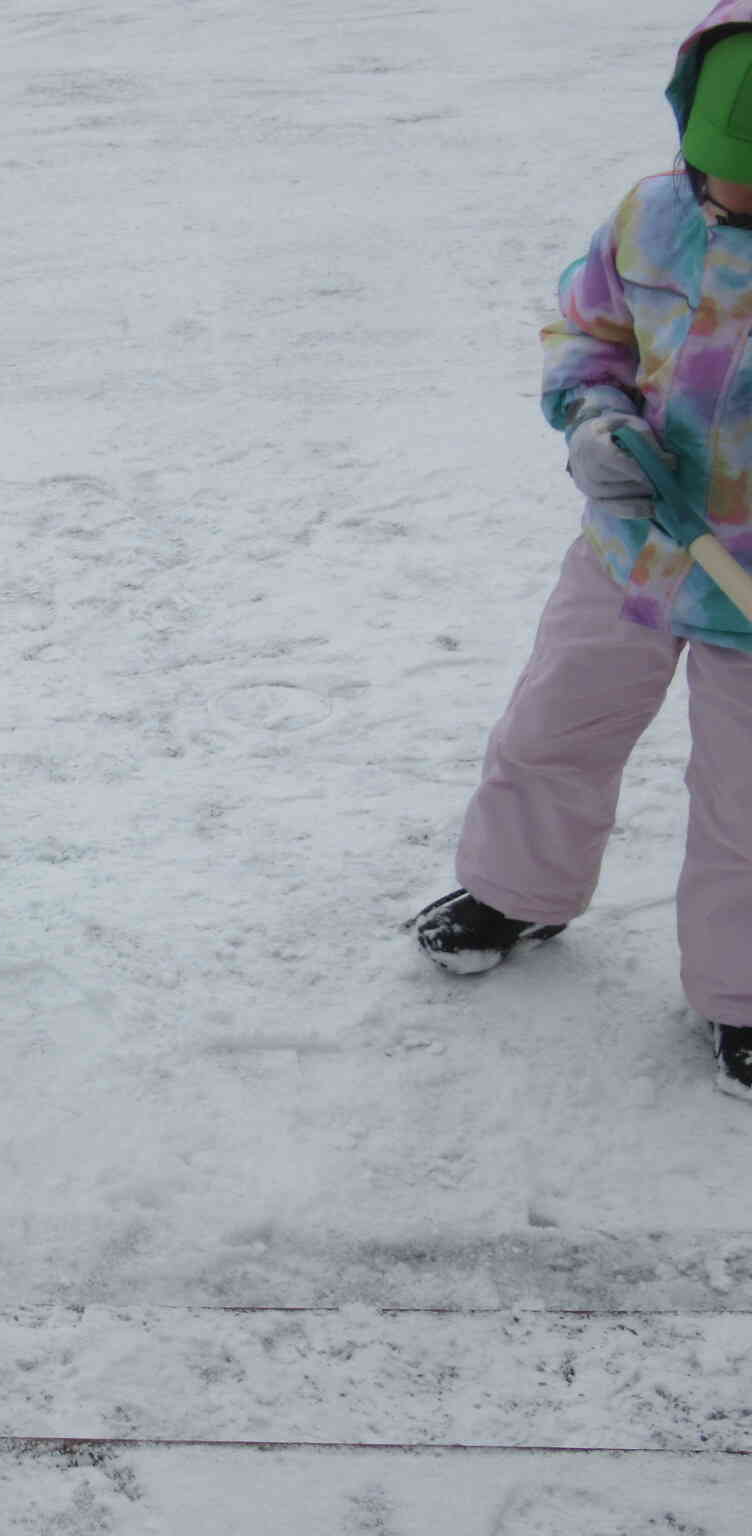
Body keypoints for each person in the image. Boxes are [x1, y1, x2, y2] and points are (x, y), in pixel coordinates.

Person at [413, 2, 752, 1101]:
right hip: (629, 553)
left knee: (745, 806)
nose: (731, 201)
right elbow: (587, 332)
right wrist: (592, 421)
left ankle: (742, 994)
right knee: (551, 725)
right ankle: (516, 889)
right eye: (718, 178)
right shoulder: (650, 218)